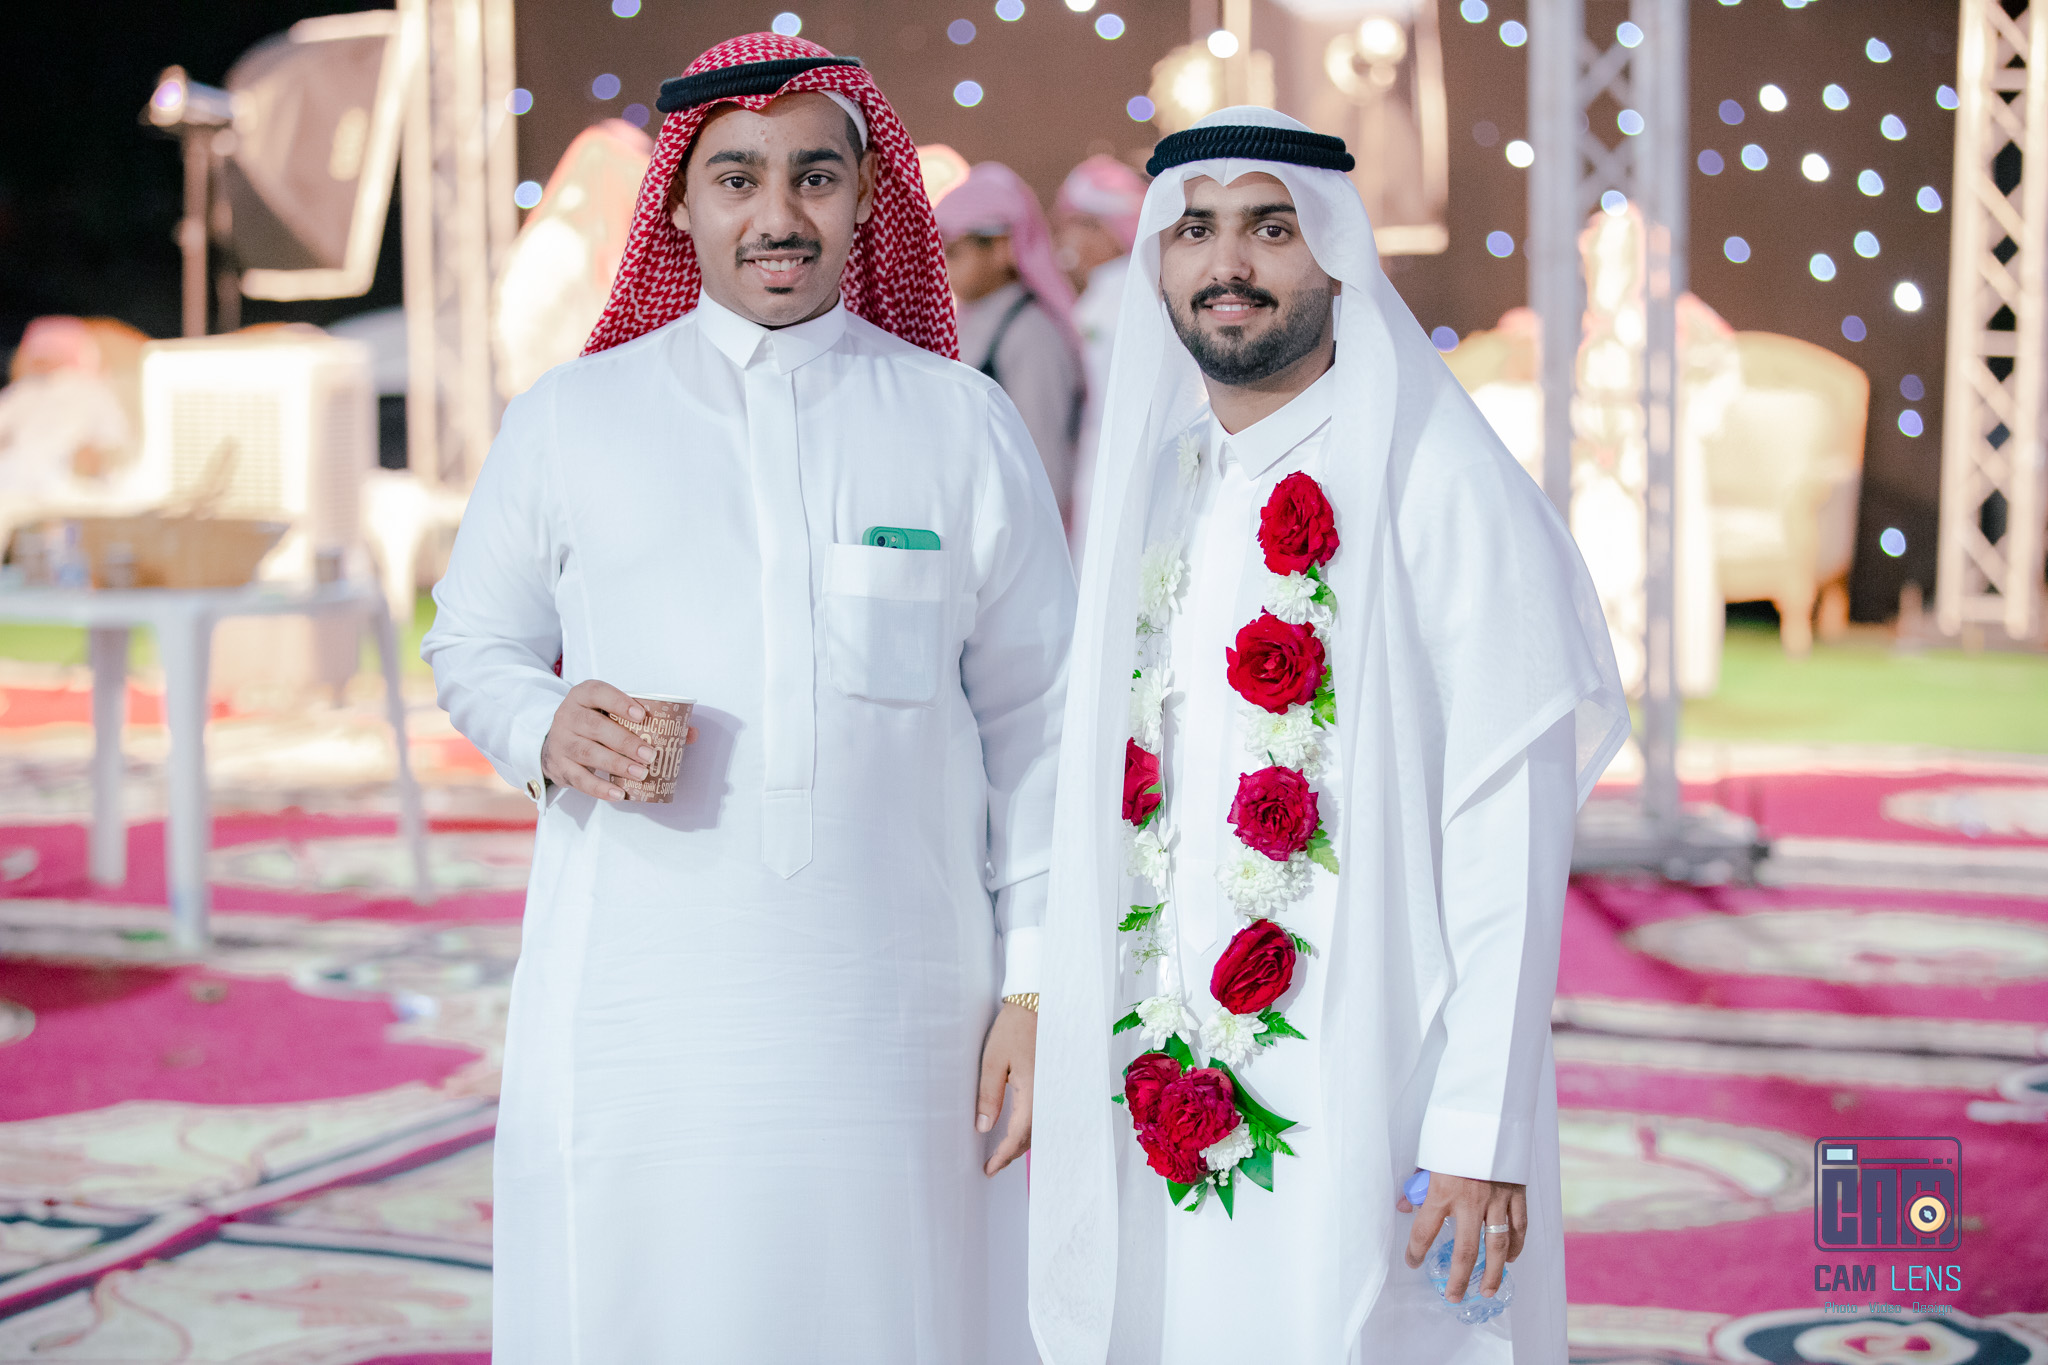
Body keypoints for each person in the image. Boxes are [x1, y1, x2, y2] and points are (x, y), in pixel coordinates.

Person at [423, 33, 1073, 1364]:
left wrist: (1038, 990)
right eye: (736, 179)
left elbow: (1045, 722)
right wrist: (544, 723)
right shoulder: (570, 418)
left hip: (905, 1014)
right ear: (677, 201)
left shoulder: (960, 423)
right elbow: (473, 642)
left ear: (865, 196)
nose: (777, 214)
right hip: (640, 1005)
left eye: (814, 177)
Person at [1028, 109, 1627, 1364]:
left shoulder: (1434, 478)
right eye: (1194, 230)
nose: (1225, 263)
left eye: (1270, 228)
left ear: (1338, 254)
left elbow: (1506, 824)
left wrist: (1478, 1130)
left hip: (1377, 1069)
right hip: (1172, 1063)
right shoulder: (1164, 485)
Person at [936, 161, 1086, 529]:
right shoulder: (972, 319)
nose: (942, 264)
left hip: (1009, 532)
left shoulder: (1031, 333)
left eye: (954, 251)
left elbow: (1044, 466)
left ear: (1002, 247)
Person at [1052, 154, 1149, 560]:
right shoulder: (1103, 290)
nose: (1068, 237)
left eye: (1081, 224)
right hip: (1097, 454)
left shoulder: (1132, 292)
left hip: (1124, 461)